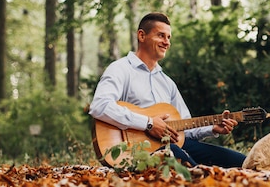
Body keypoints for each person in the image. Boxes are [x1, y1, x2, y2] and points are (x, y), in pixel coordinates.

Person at [89, 12, 245, 168]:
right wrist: (148, 124)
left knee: (242, 161)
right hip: (135, 152)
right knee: (191, 167)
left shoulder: (167, 83)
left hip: (172, 147)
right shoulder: (120, 69)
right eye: (161, 36)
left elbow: (184, 128)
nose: (166, 42)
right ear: (142, 36)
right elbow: (100, 106)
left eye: (169, 38)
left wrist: (212, 128)